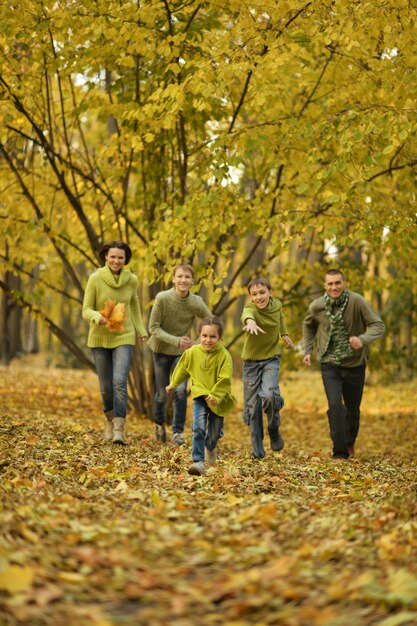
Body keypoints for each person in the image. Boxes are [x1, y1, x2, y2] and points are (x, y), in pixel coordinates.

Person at [302, 268, 385, 459]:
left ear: (344, 283)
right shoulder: (317, 306)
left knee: (352, 411)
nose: (334, 287)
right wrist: (307, 350)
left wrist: (362, 340)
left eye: (337, 283)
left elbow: (378, 325)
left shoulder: (357, 301)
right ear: (325, 285)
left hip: (355, 364)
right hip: (329, 364)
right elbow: (308, 325)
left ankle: (349, 443)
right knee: (335, 406)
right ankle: (339, 452)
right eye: (330, 283)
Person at [82, 241, 148, 445]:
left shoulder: (131, 280)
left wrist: (141, 330)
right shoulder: (95, 279)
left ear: (125, 259)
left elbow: (134, 305)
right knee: (106, 387)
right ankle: (109, 420)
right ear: (105, 257)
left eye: (120, 257)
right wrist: (97, 317)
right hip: (100, 336)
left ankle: (119, 428)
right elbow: (86, 309)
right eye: (113, 257)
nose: (116, 261)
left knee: (120, 381)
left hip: (123, 336)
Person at [148, 264, 211, 445]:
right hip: (161, 350)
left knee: (181, 392)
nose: (183, 280)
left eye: (187, 277)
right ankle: (159, 424)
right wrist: (176, 341)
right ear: (174, 278)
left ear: (192, 281)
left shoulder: (196, 302)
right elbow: (153, 328)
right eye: (180, 276)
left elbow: (210, 323)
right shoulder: (162, 298)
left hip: (182, 354)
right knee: (161, 394)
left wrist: (196, 344)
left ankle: (177, 432)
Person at [166, 316, 236, 476]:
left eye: (213, 336)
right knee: (198, 427)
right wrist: (173, 384)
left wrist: (216, 396)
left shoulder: (224, 356)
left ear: (220, 338)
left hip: (218, 399)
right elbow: (182, 368)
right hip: (200, 396)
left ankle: (211, 446)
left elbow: (225, 380)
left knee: (214, 433)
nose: (208, 340)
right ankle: (197, 461)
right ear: (199, 335)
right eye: (204, 336)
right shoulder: (192, 353)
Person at [241, 277, 294, 459]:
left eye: (262, 292)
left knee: (270, 395)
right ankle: (258, 452)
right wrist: (250, 322)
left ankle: (273, 427)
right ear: (250, 297)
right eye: (254, 294)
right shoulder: (250, 309)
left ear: (270, 293)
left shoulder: (277, 305)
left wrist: (284, 334)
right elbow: (247, 315)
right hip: (251, 364)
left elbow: (281, 317)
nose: (258, 297)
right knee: (252, 408)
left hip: (271, 358)